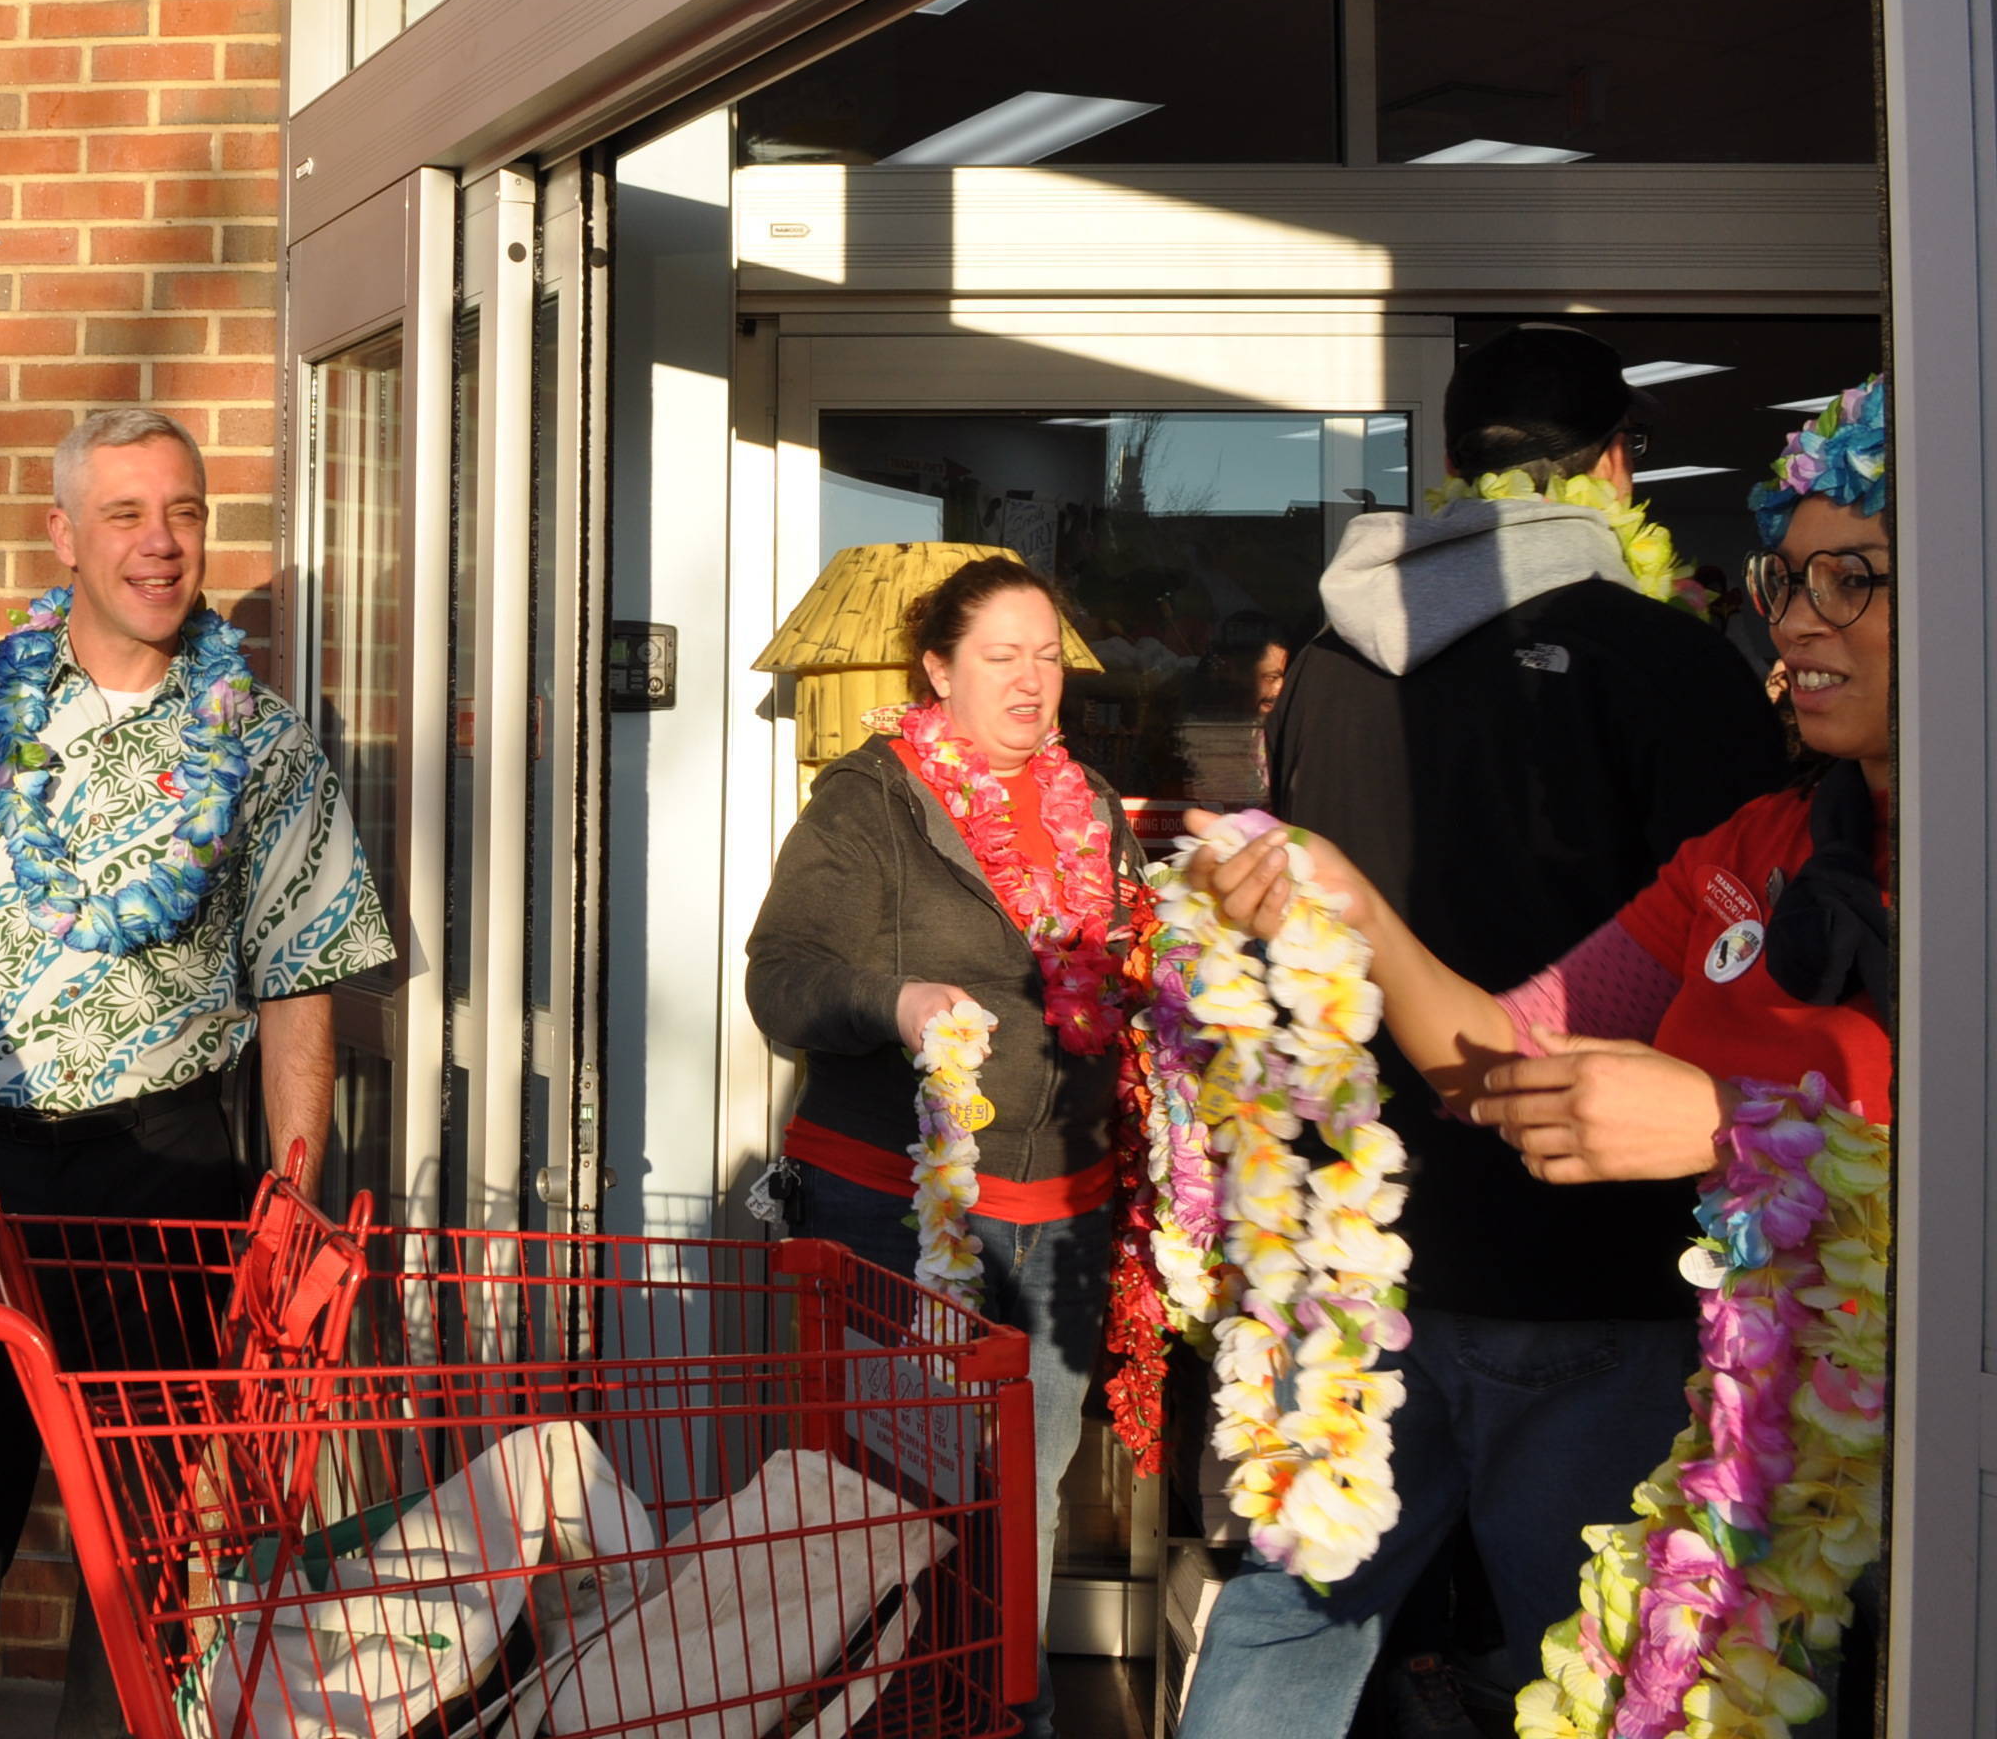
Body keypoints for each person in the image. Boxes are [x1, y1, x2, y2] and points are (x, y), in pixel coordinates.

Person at [1186, 375, 1893, 1702]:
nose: (1797, 621)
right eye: (1787, 580)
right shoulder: (1760, 845)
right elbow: (1505, 1056)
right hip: (1743, 1439)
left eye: (1851, 580)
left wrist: (1729, 1127)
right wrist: (1351, 904)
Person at [0, 404, 395, 1739]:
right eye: (126, 514)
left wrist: (291, 1208)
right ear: (65, 534)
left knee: (145, 1561)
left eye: (184, 512)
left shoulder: (263, 739)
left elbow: (298, 982)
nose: (160, 543)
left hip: (169, 1177)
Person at [743, 555, 1142, 1739]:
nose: (1031, 681)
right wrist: (896, 1001)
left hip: (1063, 1210)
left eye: (1046, 656)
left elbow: (1116, 975)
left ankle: (998, 1712)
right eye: (999, 656)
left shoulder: (1091, 801)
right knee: (891, 1500)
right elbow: (781, 978)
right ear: (937, 669)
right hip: (896, 1209)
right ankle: (892, 1715)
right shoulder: (869, 799)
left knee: (1022, 1491)